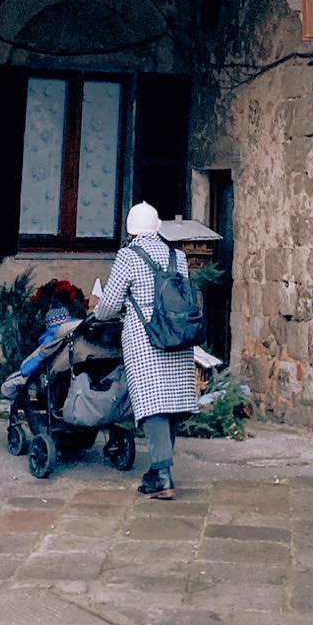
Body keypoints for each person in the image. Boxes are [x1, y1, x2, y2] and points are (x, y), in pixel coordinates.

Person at [93, 201, 197, 499]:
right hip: (177, 335)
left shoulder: (129, 256)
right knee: (171, 401)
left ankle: (162, 475)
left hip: (145, 338)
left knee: (152, 403)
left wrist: (98, 313)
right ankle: (158, 470)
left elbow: (110, 303)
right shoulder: (178, 257)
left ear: (131, 230)